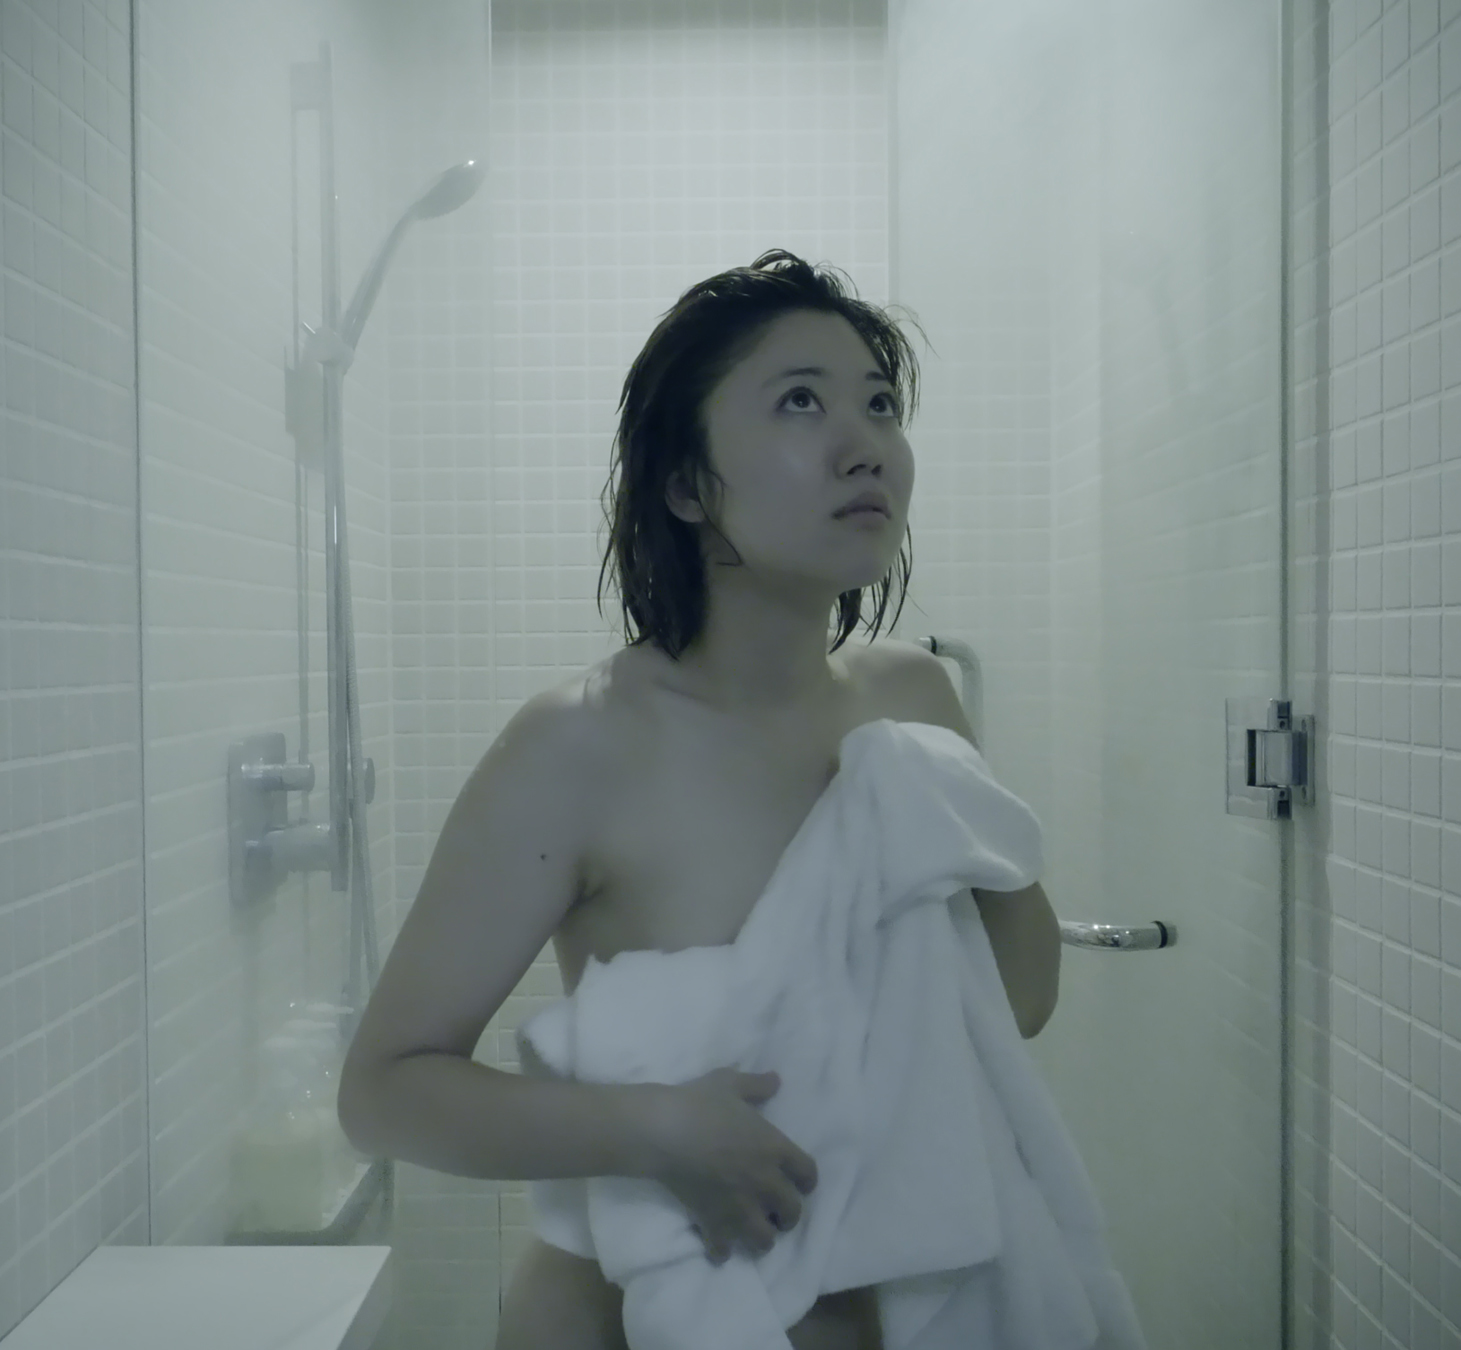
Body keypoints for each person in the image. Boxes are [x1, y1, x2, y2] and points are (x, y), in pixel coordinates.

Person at [335, 250, 1064, 1350]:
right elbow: (384, 1093)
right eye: (801, 401)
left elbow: (1018, 1000)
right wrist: (656, 1130)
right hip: (624, 1321)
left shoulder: (913, 705)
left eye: (879, 404)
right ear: (686, 484)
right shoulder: (579, 746)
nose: (866, 443)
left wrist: (954, 818)